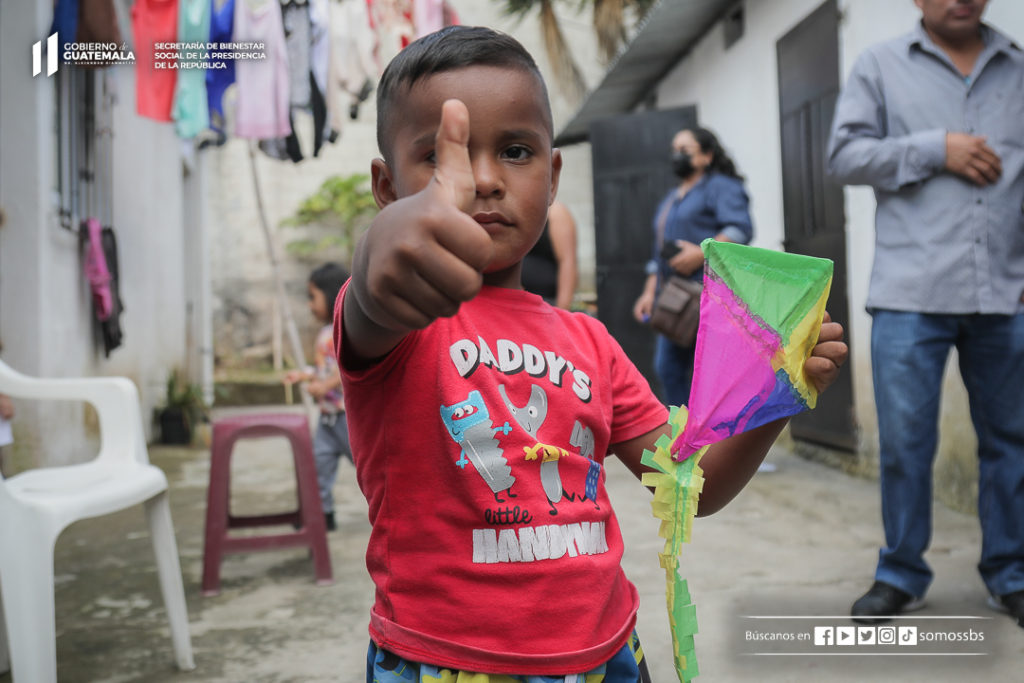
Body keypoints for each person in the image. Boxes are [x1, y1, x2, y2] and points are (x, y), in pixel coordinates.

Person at [335, 25, 847, 680]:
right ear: (386, 186)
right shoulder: (397, 319)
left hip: (604, 656)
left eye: (515, 151)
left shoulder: (590, 343)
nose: (484, 179)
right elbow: (375, 292)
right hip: (447, 661)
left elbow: (692, 485)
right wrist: (394, 235)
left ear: (552, 178)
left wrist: (778, 392)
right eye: (439, 156)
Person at [828, 0, 1024, 627]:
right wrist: (933, 149)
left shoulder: (1018, 69)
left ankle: (1010, 572)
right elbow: (844, 157)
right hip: (911, 291)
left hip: (1007, 291)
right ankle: (901, 572)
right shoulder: (880, 65)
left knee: (1012, 440)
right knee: (906, 444)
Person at [632, 127, 753, 406]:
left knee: (710, 377)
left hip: (709, 298)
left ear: (706, 156)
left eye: (685, 151)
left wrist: (702, 252)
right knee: (668, 369)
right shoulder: (672, 198)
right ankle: (683, 438)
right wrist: (650, 293)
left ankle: (712, 443)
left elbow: (740, 229)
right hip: (675, 300)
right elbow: (658, 250)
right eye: (674, 150)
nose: (677, 156)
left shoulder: (721, 187)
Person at [284, 262, 352, 532]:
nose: (310, 305)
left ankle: (390, 511)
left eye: (313, 297)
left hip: (347, 418)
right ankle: (322, 514)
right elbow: (327, 368)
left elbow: (345, 368)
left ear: (333, 293)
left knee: (368, 469)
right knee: (317, 468)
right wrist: (305, 374)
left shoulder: (344, 329)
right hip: (327, 420)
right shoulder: (325, 333)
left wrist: (325, 386)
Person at [520, 199, 578, 309]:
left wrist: (563, 308)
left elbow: (567, 262)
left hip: (547, 301)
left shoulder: (556, 212)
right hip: (516, 301)